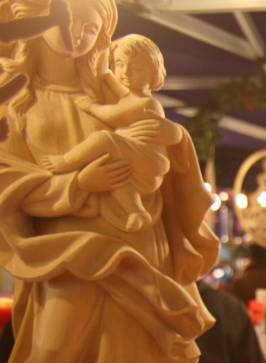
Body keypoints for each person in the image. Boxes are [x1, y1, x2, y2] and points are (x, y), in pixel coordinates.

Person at [0, 0, 217, 363]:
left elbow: (156, 142)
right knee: (49, 361)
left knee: (132, 361)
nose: (77, 36)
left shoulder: (108, 90)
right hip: (66, 254)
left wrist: (170, 155)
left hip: (136, 248)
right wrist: (76, 185)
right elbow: (8, 179)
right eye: (67, 24)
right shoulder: (17, 104)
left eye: (89, 27)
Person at [38, 33, 180, 233]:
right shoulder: (130, 97)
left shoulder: (148, 103)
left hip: (149, 161)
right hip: (134, 162)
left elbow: (113, 114)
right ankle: (135, 210)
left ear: (153, 73)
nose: (125, 72)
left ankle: (66, 161)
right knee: (112, 171)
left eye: (136, 68)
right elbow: (122, 92)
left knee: (103, 139)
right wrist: (105, 73)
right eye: (120, 64)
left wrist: (92, 107)